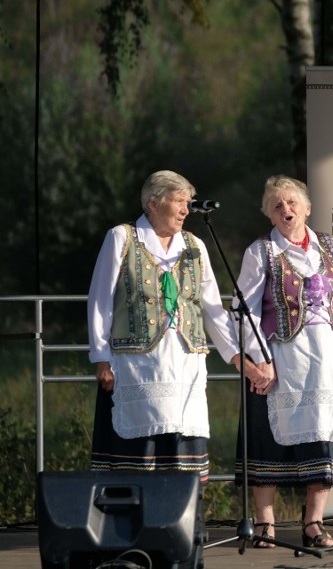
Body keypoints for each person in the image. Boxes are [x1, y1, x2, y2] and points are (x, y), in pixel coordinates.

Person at [88, 170, 249, 484]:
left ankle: (184, 527)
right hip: (136, 363)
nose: (186, 210)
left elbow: (213, 308)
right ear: (152, 203)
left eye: (188, 202)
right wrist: (101, 357)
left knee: (182, 446)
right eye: (179, 202)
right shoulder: (122, 237)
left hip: (185, 362)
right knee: (140, 448)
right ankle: (135, 527)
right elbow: (100, 300)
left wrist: (236, 356)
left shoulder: (194, 246)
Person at [232, 175, 333, 549]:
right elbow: (244, 311)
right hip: (282, 357)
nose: (285, 210)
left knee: (322, 440)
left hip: (328, 358)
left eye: (291, 203)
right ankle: (265, 522)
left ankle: (313, 522)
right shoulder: (261, 252)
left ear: (307, 208)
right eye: (276, 205)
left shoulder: (330, 247)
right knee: (270, 440)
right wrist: (259, 360)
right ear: (269, 215)